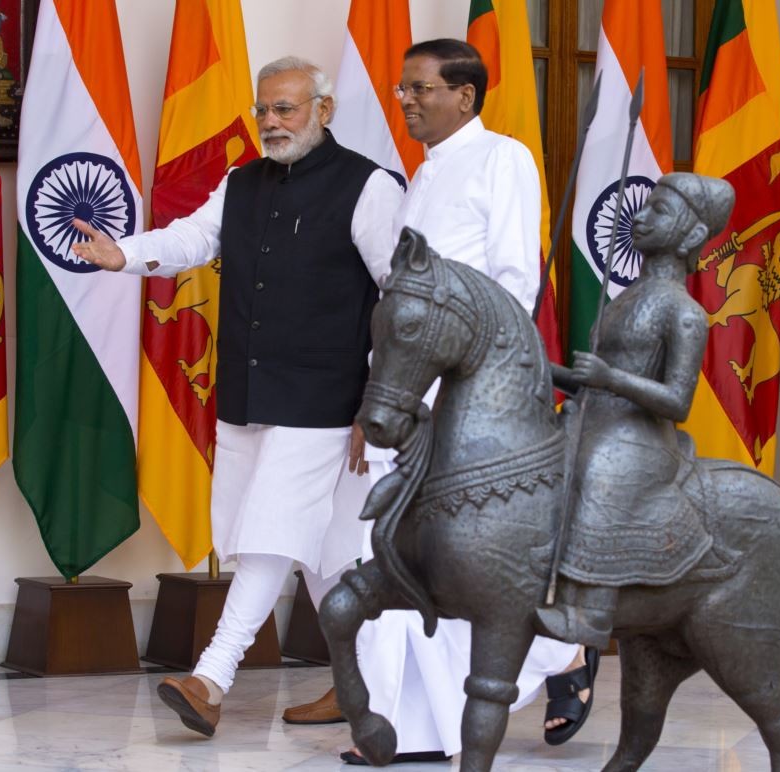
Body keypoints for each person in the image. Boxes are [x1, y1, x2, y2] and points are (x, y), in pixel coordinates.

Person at [282, 39, 596, 763]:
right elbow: (405, 305)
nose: (406, 101)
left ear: (466, 95)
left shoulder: (503, 159)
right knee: (401, 554)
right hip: (407, 394)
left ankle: (551, 659)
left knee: (450, 557)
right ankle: (415, 725)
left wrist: (458, 389)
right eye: (401, 90)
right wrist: (378, 396)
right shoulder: (420, 176)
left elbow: (514, 284)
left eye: (420, 89)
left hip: (467, 401)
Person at [71, 56, 404, 738]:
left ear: (323, 110)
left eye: (286, 109)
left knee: (269, 535)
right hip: (250, 391)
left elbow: (402, 296)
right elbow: (195, 236)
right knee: (331, 550)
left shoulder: (368, 186)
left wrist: (382, 398)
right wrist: (123, 254)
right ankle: (360, 688)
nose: (272, 123)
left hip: (327, 399)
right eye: (264, 111)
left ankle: (210, 679)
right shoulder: (241, 182)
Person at [536, 172, 734, 649]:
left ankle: (592, 612)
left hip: (638, 438)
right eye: (644, 207)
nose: (639, 218)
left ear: (691, 235)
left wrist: (612, 379)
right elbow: (591, 380)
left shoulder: (683, 311)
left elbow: (678, 401)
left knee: (599, 467)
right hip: (594, 417)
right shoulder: (624, 298)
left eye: (658, 211)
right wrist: (543, 369)